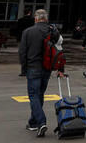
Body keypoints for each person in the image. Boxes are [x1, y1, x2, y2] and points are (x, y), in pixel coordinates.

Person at [18, 9, 63, 138]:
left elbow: (22, 52)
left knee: (33, 95)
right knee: (39, 94)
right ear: (46, 19)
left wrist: (24, 68)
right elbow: (59, 49)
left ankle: (41, 121)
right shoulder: (53, 31)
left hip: (33, 67)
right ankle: (33, 121)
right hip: (47, 68)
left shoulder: (28, 32)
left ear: (36, 19)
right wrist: (60, 68)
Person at [14, 10, 34, 76]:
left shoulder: (20, 20)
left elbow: (16, 30)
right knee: (31, 55)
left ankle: (23, 71)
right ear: (29, 13)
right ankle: (30, 70)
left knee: (23, 55)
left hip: (21, 39)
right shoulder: (33, 20)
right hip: (31, 40)